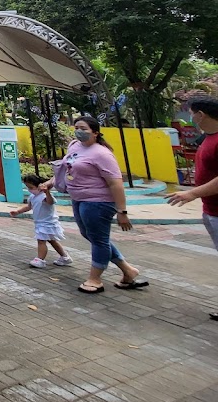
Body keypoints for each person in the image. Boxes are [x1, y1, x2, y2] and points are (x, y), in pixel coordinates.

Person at [43, 115, 145, 294]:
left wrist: (122, 211)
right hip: (79, 199)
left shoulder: (102, 154)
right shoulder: (74, 146)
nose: (79, 132)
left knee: (98, 240)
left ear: (95, 132)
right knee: (90, 235)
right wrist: (51, 182)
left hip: (98, 202)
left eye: (83, 129)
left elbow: (116, 183)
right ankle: (128, 271)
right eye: (76, 128)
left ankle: (95, 279)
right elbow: (67, 167)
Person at [166, 96, 218, 320]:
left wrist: (192, 193)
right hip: (211, 210)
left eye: (191, 113)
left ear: (200, 114)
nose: (190, 118)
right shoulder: (208, 138)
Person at [9, 173, 72, 268]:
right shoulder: (32, 197)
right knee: (52, 241)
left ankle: (40, 260)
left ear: (38, 185)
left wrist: (47, 192)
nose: (30, 190)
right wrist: (18, 211)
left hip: (48, 223)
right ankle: (65, 257)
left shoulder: (44, 196)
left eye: (31, 187)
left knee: (41, 241)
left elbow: (50, 202)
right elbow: (29, 206)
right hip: (41, 223)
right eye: (28, 187)